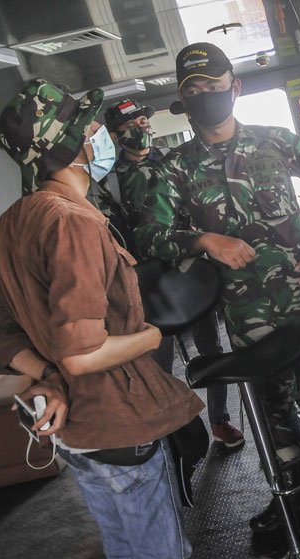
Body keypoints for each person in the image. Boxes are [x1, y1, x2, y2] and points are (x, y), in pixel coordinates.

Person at [0, 78, 254, 559]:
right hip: (119, 424)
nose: (101, 134)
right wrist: (156, 334)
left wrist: (47, 381)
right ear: (73, 147)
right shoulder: (73, 223)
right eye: (89, 128)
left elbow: (6, 338)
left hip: (76, 434)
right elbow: (83, 353)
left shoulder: (12, 222)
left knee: (126, 555)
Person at [136, 43, 300, 537]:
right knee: (273, 416)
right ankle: (298, 508)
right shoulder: (174, 168)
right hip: (246, 315)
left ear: (234, 88)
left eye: (213, 86)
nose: (204, 96)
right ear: (182, 98)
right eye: (192, 90)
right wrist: (203, 239)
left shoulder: (276, 141)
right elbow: (149, 235)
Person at [103, 97, 245, 451]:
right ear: (115, 135)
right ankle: (180, 429)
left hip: (191, 272)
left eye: (143, 121)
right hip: (149, 287)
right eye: (132, 126)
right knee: (159, 361)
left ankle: (219, 419)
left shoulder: (172, 162)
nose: (142, 128)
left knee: (211, 348)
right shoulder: (110, 181)